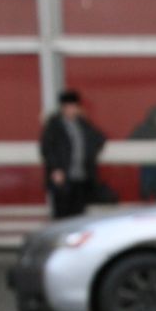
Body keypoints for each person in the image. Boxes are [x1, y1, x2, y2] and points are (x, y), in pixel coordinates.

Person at [40, 89, 107, 221]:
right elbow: (47, 149)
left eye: (74, 107)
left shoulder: (82, 124)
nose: (72, 110)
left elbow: (99, 138)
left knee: (78, 217)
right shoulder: (54, 126)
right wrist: (55, 169)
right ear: (63, 108)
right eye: (69, 107)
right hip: (63, 178)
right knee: (62, 215)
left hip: (80, 177)